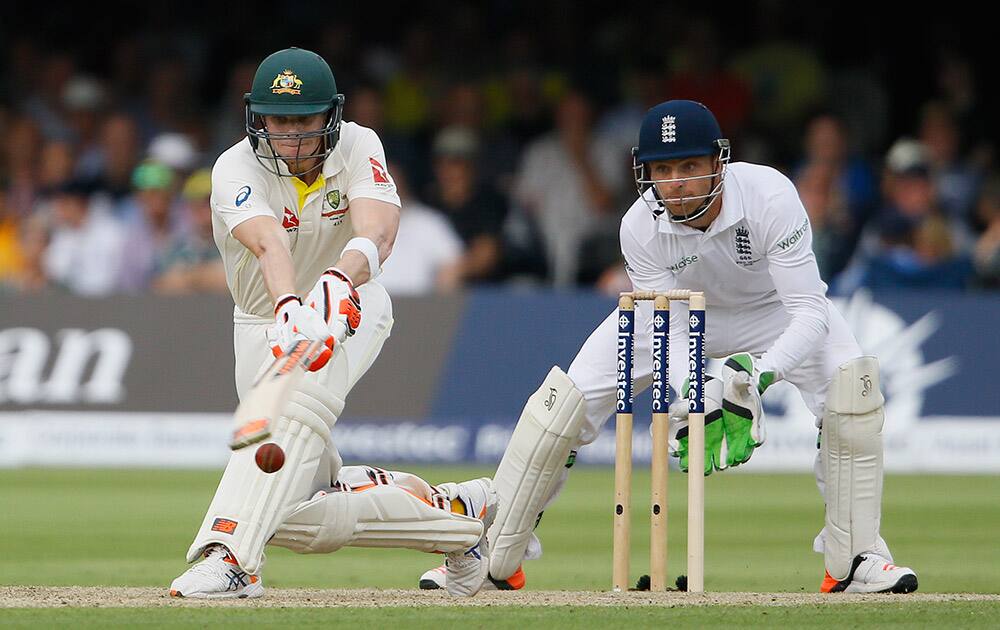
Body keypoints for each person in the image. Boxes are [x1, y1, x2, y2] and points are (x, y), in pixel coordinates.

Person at [421, 100, 919, 595]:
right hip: (670, 313)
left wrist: (755, 378)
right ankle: (489, 558)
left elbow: (809, 310)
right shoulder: (639, 227)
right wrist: (694, 392)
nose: (676, 182)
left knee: (852, 391)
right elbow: (673, 331)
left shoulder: (770, 195)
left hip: (774, 311)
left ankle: (857, 559)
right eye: (663, 169)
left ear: (717, 164)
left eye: (689, 166)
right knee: (560, 409)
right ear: (646, 172)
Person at [169, 47, 493, 600]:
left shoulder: (360, 144)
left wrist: (339, 280)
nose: (291, 136)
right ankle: (458, 522)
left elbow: (381, 230)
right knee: (297, 505)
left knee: (290, 417)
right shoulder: (232, 167)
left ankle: (231, 558)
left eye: (304, 120)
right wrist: (289, 307)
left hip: (353, 305)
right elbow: (268, 241)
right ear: (257, 118)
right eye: (279, 120)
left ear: (330, 116)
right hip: (265, 323)